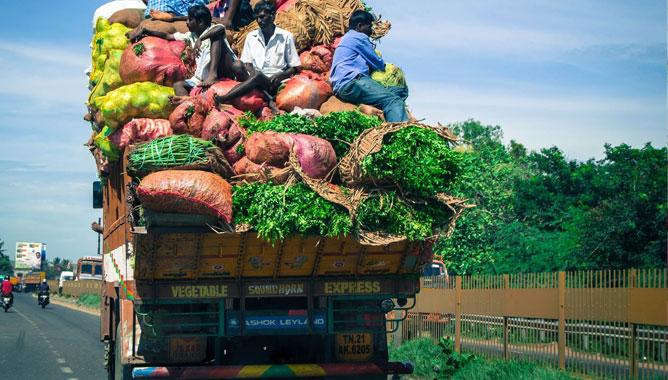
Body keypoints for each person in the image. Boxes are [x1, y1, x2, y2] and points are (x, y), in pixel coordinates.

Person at [128, 5, 238, 96]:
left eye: (190, 20)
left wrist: (201, 38)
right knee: (178, 85)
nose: (187, 23)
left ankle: (212, 74)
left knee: (216, 37)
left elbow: (220, 28)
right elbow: (168, 36)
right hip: (201, 78)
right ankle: (187, 104)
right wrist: (147, 31)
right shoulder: (190, 36)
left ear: (200, 22)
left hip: (221, 72)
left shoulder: (214, 29)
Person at [214, 1, 301, 107]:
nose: (259, 21)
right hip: (254, 78)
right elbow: (247, 63)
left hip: (275, 82)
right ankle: (265, 95)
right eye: (257, 18)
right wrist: (253, 74)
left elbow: (295, 67)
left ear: (272, 16)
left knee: (258, 76)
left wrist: (282, 74)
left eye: (262, 17)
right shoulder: (251, 36)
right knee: (237, 65)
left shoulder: (286, 36)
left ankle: (225, 98)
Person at [329, 10, 409, 122]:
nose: (371, 30)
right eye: (369, 26)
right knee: (393, 101)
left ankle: (387, 116)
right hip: (352, 81)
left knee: (400, 91)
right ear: (360, 26)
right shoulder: (358, 37)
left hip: (343, 86)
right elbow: (378, 64)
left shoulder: (347, 38)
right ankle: (399, 134)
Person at [150, 0, 254, 30]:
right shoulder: (218, 4)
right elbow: (201, 16)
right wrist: (172, 18)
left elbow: (227, 23)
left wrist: (174, 18)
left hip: (240, 31)